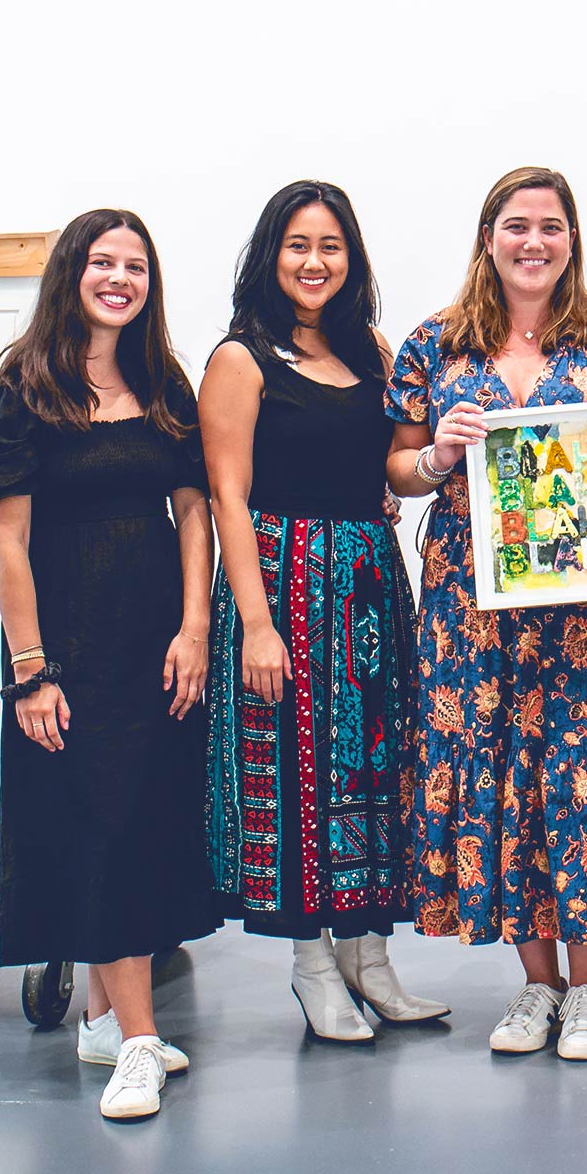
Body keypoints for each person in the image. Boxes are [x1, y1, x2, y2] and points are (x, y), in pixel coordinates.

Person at [384, 166, 587, 1062]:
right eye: (517, 226)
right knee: (499, 780)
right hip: (471, 610)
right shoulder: (435, 345)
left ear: (572, 238)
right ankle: (536, 983)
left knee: (579, 777)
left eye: (552, 227)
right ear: (489, 238)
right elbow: (393, 469)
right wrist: (436, 454)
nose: (534, 242)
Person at [0, 209, 219, 1122]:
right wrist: (32, 669)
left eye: (136, 265)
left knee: (143, 819)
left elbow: (195, 512)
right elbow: (8, 541)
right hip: (67, 649)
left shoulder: (160, 380)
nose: (120, 278)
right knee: (100, 823)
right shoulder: (22, 388)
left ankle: (106, 1020)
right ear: (70, 271)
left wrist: (195, 628)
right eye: (103, 262)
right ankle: (141, 1044)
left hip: (156, 645)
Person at [199, 182, 447, 1042]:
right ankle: (311, 968)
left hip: (370, 587)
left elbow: (393, 472)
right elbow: (226, 496)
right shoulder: (242, 358)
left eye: (331, 246)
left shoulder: (372, 350)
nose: (315, 261)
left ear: (353, 259)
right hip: (285, 585)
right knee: (300, 777)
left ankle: (370, 959)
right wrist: (257, 623)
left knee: (375, 773)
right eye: (299, 244)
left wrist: (441, 459)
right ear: (272, 254)